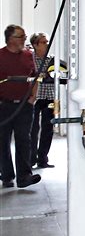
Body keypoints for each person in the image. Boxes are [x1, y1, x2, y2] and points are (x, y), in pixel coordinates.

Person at [0, 24, 40, 189]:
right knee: (3, 140)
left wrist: (33, 97)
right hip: (4, 105)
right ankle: (7, 175)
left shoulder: (28, 55)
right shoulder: (0, 56)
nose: (24, 39)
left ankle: (24, 176)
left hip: (24, 105)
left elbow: (35, 76)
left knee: (24, 139)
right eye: (21, 36)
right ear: (11, 39)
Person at [29, 33, 57, 169]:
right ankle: (31, 158)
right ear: (35, 45)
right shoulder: (30, 59)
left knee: (48, 129)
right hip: (35, 98)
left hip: (50, 96)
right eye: (43, 42)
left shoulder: (51, 59)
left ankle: (43, 159)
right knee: (32, 129)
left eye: (47, 42)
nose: (47, 44)